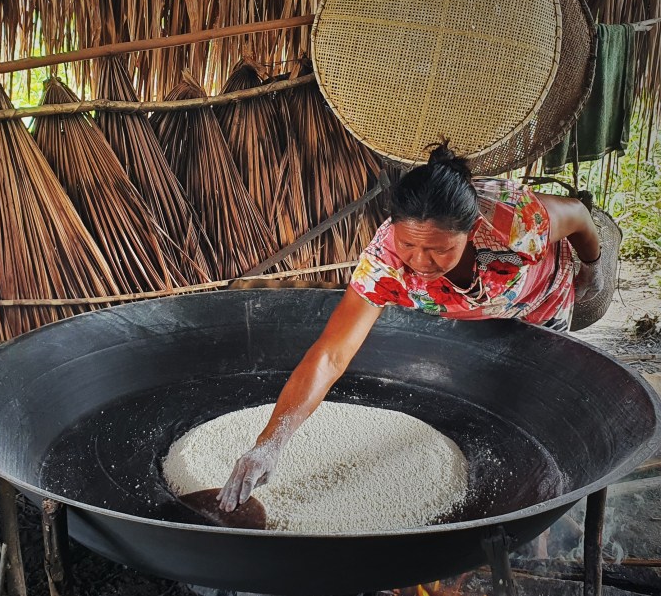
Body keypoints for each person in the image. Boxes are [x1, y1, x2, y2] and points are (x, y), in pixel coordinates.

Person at [217, 141, 605, 512]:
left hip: (542, 299)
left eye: (439, 249)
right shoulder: (385, 261)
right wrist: (269, 443)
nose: (419, 260)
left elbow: (580, 217)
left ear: (471, 230)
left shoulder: (516, 219)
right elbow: (332, 353)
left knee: (536, 396)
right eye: (408, 245)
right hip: (469, 310)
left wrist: (592, 267)